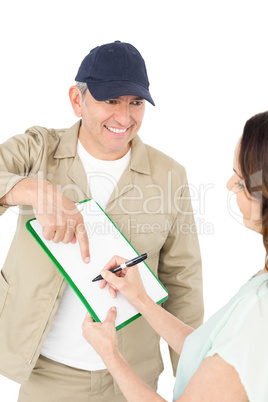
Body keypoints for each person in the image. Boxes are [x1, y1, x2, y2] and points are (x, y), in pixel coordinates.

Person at [0, 41, 203, 401]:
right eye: (111, 101)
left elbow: (182, 283)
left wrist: (194, 377)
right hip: (47, 374)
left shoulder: (170, 175)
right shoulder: (38, 150)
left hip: (131, 380)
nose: (125, 118)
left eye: (136, 102)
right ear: (78, 101)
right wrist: (32, 190)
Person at [82, 111, 268, 401]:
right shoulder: (262, 282)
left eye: (243, 182)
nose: (230, 185)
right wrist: (140, 297)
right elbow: (209, 349)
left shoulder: (260, 312)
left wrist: (110, 353)